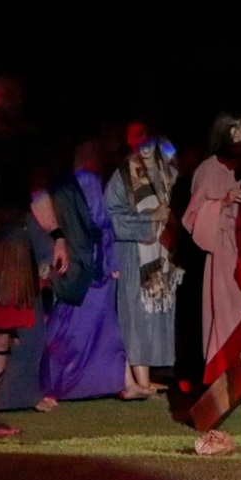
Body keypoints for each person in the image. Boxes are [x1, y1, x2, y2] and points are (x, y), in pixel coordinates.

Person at [0, 73, 69, 438]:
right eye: (7, 90)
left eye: (19, 91)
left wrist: (58, 236)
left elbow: (36, 193)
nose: (15, 97)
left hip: (10, 243)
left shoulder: (24, 143)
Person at [40, 128, 152, 401]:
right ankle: (55, 385)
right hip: (91, 266)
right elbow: (100, 223)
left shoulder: (63, 182)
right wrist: (111, 260)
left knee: (102, 328)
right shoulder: (86, 181)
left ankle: (124, 382)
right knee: (80, 328)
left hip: (81, 264)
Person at [182, 111, 241, 391]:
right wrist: (223, 202)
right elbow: (192, 216)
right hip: (224, 251)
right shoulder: (210, 169)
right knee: (226, 317)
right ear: (232, 132)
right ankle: (225, 383)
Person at [105, 119, 183, 394]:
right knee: (136, 313)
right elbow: (110, 217)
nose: (145, 145)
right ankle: (138, 379)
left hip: (161, 254)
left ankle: (147, 375)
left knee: (156, 313)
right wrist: (150, 218)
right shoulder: (122, 176)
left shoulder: (165, 172)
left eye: (148, 137)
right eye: (138, 138)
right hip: (134, 253)